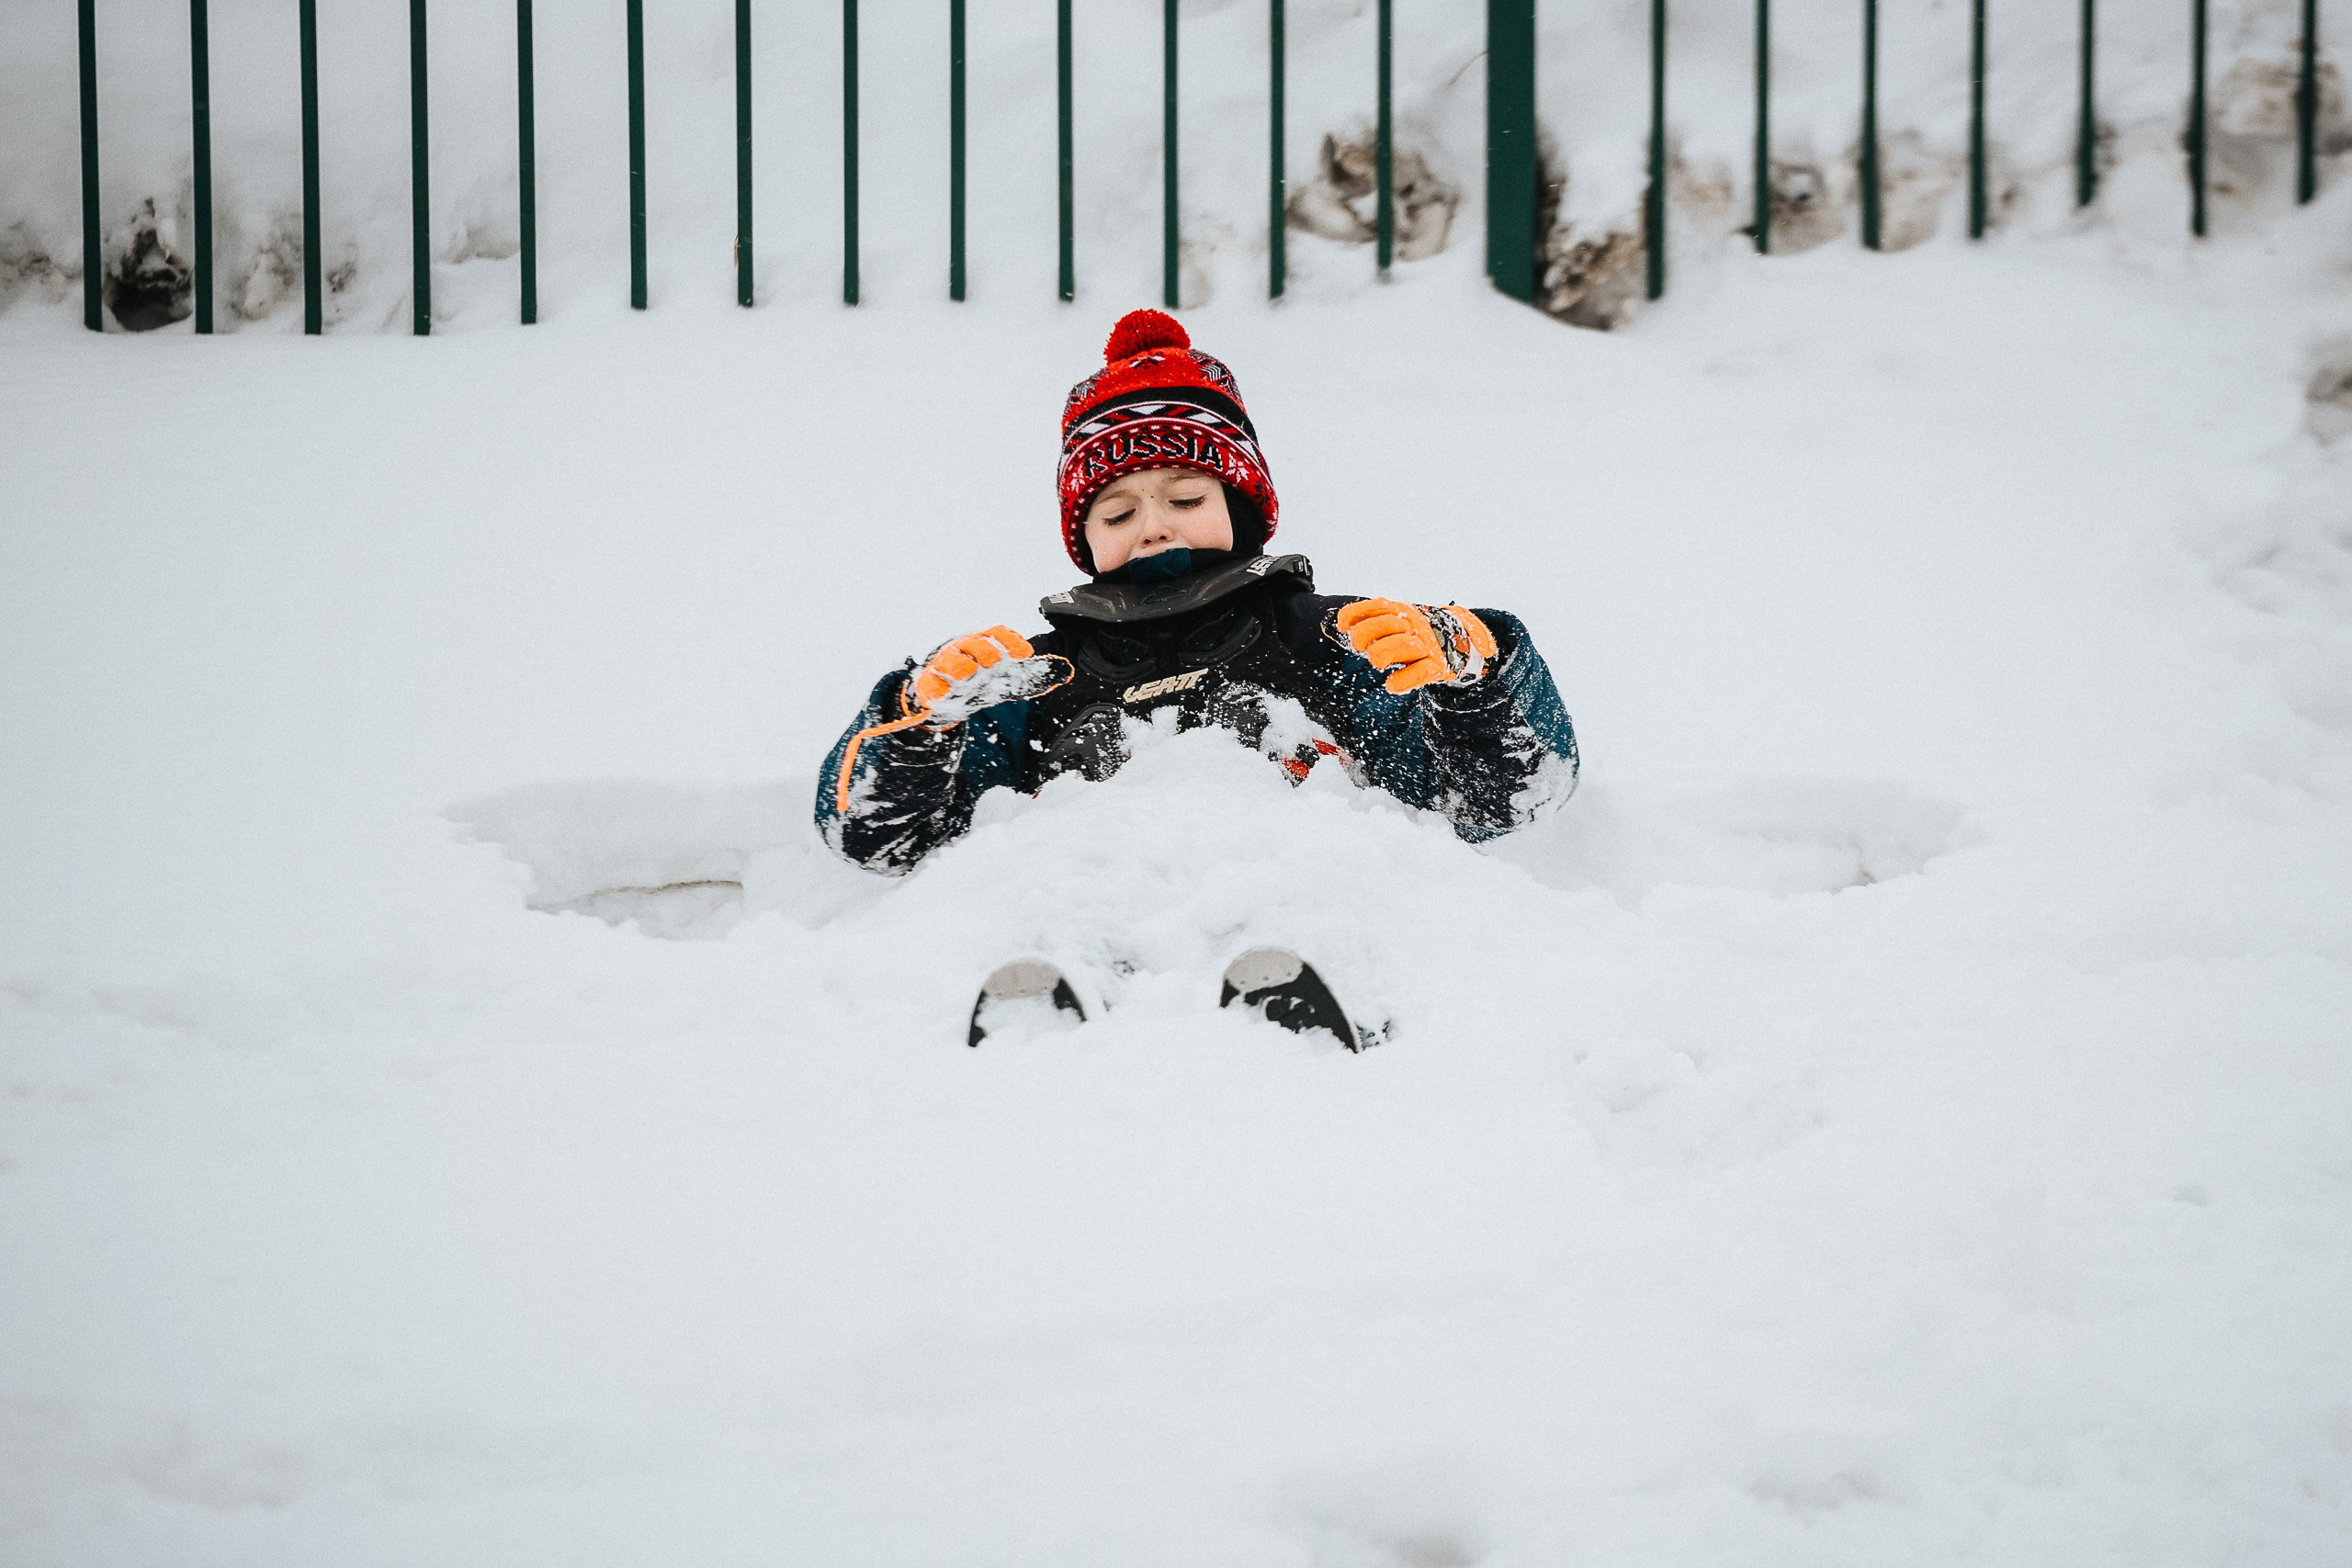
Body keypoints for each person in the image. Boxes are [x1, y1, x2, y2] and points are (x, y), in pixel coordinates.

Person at [816, 309, 1578, 876]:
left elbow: (1496, 804)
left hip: (1310, 909)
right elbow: (880, 841)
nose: (1154, 528)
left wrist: (1474, 675)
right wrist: (917, 727)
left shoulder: (1331, 638)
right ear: (1086, 539)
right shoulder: (1033, 680)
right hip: (1082, 922)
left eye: (1185, 498)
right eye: (1117, 511)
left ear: (1239, 509)